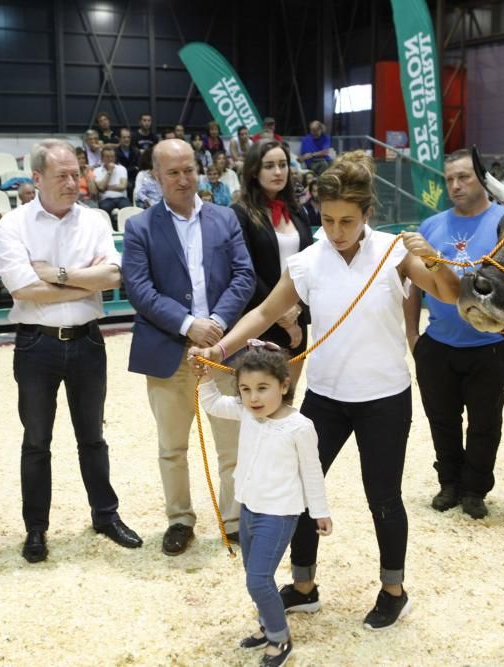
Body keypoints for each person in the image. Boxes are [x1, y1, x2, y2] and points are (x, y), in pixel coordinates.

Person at [191, 150, 459, 630]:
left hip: (384, 396)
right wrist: (219, 351)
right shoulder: (307, 262)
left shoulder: (396, 253)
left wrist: (434, 258)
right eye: (329, 219)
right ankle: (304, 585)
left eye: (348, 221)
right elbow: (262, 314)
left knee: (383, 495)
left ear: (367, 214)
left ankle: (393, 591)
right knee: (297, 492)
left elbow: (450, 293)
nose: (337, 231)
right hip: (326, 398)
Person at [0, 139, 142, 562]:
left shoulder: (95, 219)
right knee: (36, 441)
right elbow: (22, 288)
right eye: (61, 175)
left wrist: (57, 275)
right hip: (35, 344)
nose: (72, 182)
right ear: (36, 178)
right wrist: (84, 280)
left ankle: (106, 515)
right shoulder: (14, 224)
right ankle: (36, 529)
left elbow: (113, 276)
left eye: (75, 174)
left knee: (92, 437)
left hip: (87, 341)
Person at [122, 139, 255, 556]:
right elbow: (139, 289)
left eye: (188, 170)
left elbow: (243, 275)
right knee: (172, 446)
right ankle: (179, 520)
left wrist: (215, 324)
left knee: (231, 445)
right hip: (168, 350)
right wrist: (187, 325)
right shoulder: (140, 226)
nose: (183, 179)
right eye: (173, 173)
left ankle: (233, 520)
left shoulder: (225, 218)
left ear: (198, 170)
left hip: (222, 349)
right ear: (156, 178)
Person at [404, 148, 504, 522]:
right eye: (449, 179)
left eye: (464, 177)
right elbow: (412, 284)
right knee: (441, 419)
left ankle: (475, 489)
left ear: (482, 178)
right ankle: (449, 483)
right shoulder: (431, 226)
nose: (455, 185)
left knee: (485, 422)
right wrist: (412, 334)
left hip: (490, 344)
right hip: (437, 343)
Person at [194, 341, 331, 667]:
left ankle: (280, 638)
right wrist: (204, 376)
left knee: (258, 579)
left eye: (262, 388)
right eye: (245, 389)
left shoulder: (300, 427)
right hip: (249, 508)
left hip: (280, 514)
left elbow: (312, 472)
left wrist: (320, 511)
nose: (253, 397)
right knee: (253, 576)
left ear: (284, 386)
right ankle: (267, 625)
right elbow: (212, 402)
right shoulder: (244, 411)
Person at [232, 139, 313, 390]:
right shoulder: (240, 212)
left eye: (282, 164)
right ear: (254, 171)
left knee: (287, 398)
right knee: (261, 400)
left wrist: (296, 309)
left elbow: (310, 262)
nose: (278, 172)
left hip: (297, 316)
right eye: (269, 166)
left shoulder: (298, 211)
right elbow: (246, 271)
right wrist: (281, 313)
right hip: (261, 318)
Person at [93, 146, 129, 222]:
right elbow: (101, 187)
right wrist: (110, 172)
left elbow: (123, 186)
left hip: (121, 198)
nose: (110, 159)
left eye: (112, 156)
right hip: (106, 199)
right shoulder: (96, 171)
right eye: (107, 157)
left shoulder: (122, 169)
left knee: (127, 209)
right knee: (105, 208)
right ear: (102, 158)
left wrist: (107, 187)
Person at [115, 128, 141, 198]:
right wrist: (132, 168)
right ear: (119, 139)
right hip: (121, 179)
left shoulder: (136, 151)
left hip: (135, 177)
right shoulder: (115, 152)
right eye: (124, 137)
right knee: (129, 186)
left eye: (128, 137)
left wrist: (132, 169)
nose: (127, 139)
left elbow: (139, 167)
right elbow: (118, 170)